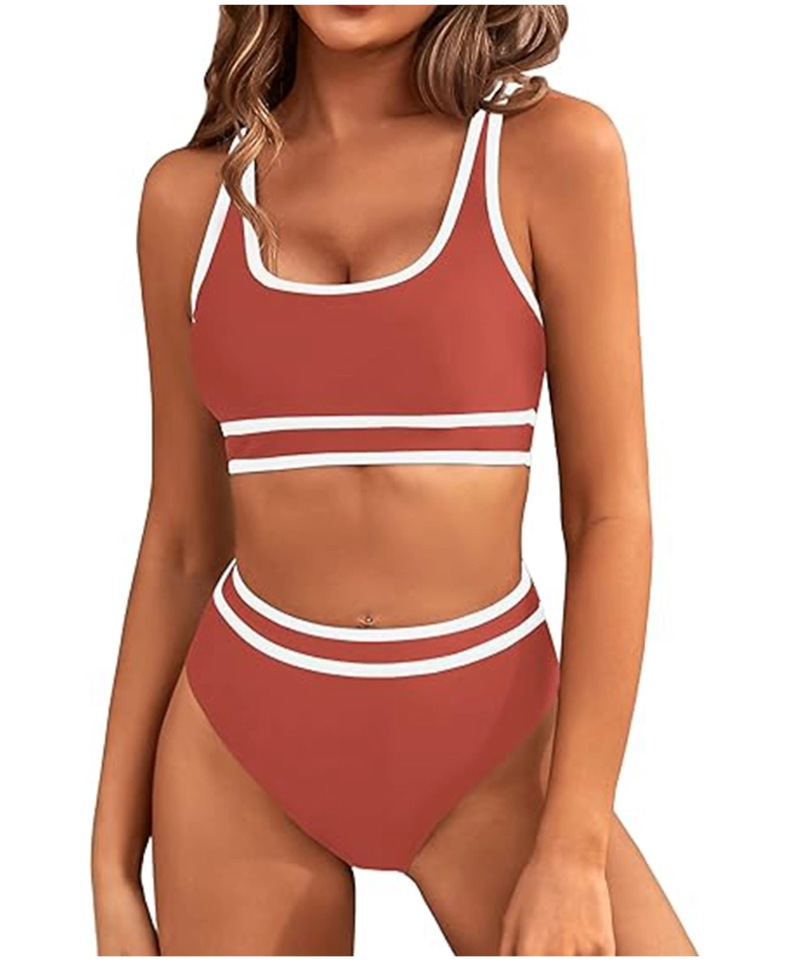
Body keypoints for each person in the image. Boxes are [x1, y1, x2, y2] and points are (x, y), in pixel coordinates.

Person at [91, 4, 697, 956]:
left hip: (490, 749)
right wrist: (110, 862)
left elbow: (609, 513)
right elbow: (180, 542)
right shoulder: (190, 201)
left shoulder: (550, 155)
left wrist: (574, 844)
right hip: (238, 749)